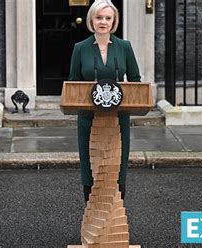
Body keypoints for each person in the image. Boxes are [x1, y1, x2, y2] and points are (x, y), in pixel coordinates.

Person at [68, 0, 141, 203]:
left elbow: (135, 80)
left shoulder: (125, 47)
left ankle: (114, 212)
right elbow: (74, 83)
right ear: (91, 19)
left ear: (113, 21)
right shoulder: (80, 48)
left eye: (108, 18)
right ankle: (92, 213)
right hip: (88, 117)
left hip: (118, 117)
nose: (103, 22)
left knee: (116, 165)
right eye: (99, 17)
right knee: (90, 165)